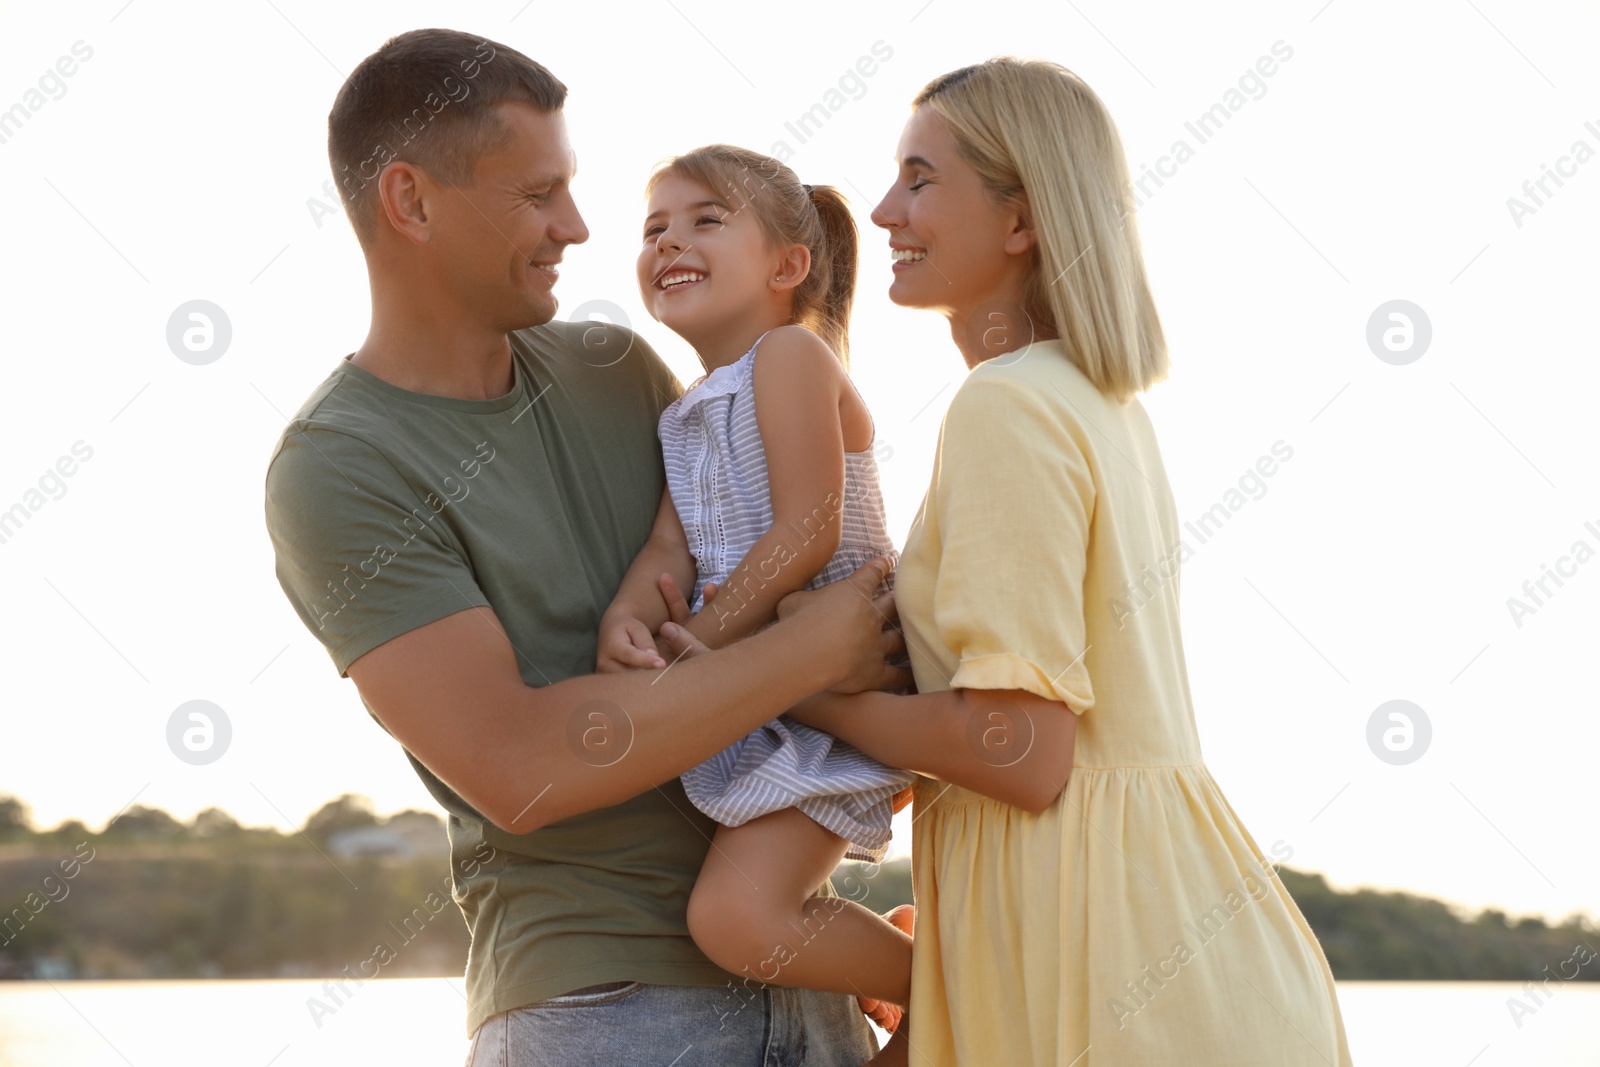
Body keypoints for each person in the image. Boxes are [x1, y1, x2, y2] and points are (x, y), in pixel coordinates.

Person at [263, 28, 903, 1067]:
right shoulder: (338, 467)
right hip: (602, 1010)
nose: (576, 225)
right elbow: (517, 763)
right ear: (411, 202)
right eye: (536, 194)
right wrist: (811, 653)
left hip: (807, 982)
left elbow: (736, 549)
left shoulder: (616, 368)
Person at [784, 58, 1355, 1065]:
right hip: (1176, 944)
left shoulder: (1006, 405)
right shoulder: (1100, 406)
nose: (881, 211)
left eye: (920, 178)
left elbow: (1020, 747)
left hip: (1101, 957)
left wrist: (793, 688)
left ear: (1021, 221)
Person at [595, 144, 917, 1030]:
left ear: (788, 266)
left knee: (735, 917)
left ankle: (944, 981)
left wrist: (707, 640)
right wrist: (631, 616)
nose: (670, 241)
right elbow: (671, 547)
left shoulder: (790, 357)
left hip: (843, 690)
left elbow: (809, 529)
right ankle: (912, 964)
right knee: (741, 907)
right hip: (770, 698)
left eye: (704, 219)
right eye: (654, 227)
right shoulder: (686, 410)